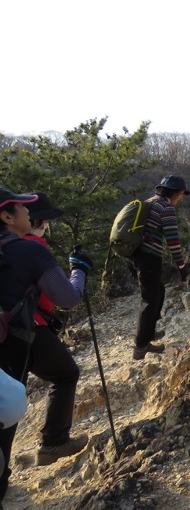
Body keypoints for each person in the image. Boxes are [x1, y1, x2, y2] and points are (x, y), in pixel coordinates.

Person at [0, 189, 91, 502]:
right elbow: (67, 298)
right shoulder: (29, 250)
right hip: (17, 337)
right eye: (22, 209)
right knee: (56, 378)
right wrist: (79, 270)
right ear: (7, 217)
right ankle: (52, 443)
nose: (28, 213)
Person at [126, 175, 190, 360]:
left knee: (158, 291)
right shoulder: (166, 207)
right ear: (176, 193)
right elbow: (172, 240)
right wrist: (181, 266)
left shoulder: (149, 202)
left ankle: (149, 332)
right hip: (148, 257)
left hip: (132, 255)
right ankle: (141, 346)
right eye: (182, 194)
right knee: (149, 300)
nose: (182, 198)